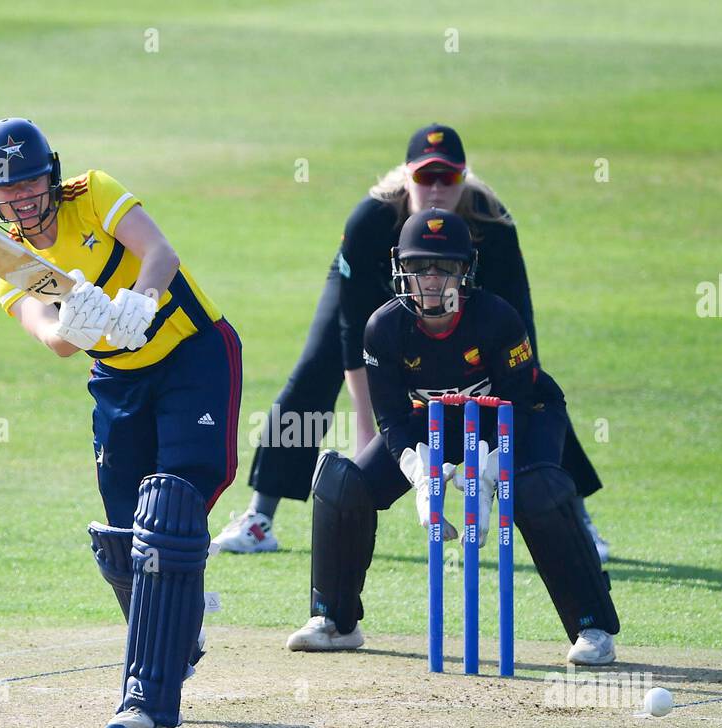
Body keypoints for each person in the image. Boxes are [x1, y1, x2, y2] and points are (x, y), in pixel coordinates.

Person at [215, 124, 608, 561]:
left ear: (464, 178)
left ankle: (578, 520)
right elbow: (351, 333)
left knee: (532, 385)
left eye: (448, 178)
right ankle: (258, 518)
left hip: (464, 286)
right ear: (407, 176)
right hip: (379, 287)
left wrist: (514, 391)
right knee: (313, 371)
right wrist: (368, 425)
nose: (436, 189)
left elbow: (521, 326)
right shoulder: (370, 220)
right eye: (425, 178)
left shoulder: (492, 223)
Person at [0, 117, 243, 728]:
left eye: (32, 183)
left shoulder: (91, 192)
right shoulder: (7, 264)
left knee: (172, 507)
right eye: (8, 190)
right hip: (118, 382)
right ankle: (182, 626)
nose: (23, 198)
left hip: (191, 354)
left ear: (53, 177)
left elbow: (161, 254)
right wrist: (79, 316)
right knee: (126, 534)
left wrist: (137, 304)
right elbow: (53, 341)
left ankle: (148, 695)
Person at [287, 208, 620, 665]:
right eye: (420, 266)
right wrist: (422, 476)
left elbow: (520, 403)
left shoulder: (496, 320)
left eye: (445, 268)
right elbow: (392, 422)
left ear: (467, 271)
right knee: (343, 484)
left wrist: (487, 475)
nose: (433, 279)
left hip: (519, 415)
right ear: (401, 268)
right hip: (433, 421)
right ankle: (334, 621)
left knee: (538, 490)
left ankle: (593, 627)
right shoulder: (384, 328)